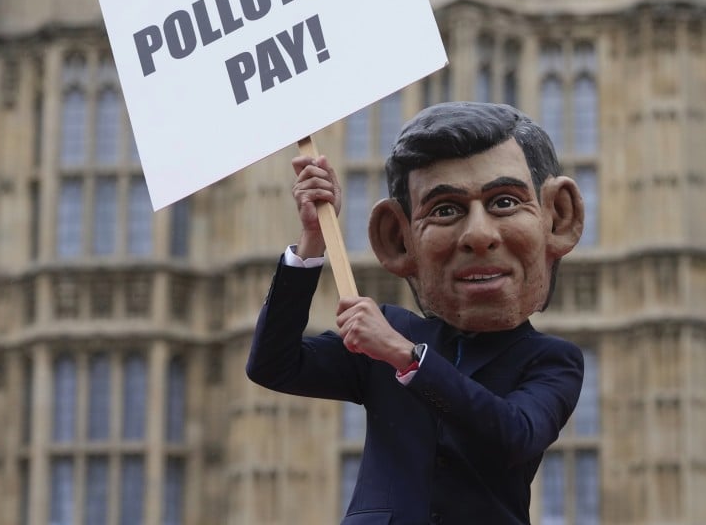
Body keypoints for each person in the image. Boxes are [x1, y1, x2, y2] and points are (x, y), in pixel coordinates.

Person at [247, 101, 586, 525]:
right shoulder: (389, 329)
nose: (478, 236)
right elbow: (272, 365)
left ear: (558, 218)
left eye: (503, 202)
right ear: (398, 239)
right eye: (445, 210)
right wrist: (313, 238)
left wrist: (406, 358)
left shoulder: (552, 360)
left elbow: (515, 437)